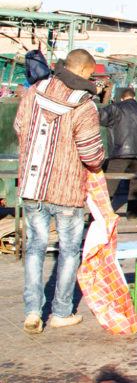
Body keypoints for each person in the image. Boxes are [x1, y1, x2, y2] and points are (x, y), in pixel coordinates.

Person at [14, 49, 105, 333]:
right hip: (67, 191)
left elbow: (19, 127)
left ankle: (32, 312)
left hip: (33, 186)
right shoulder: (84, 105)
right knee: (68, 251)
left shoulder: (33, 91)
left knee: (35, 249)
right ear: (86, 71)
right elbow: (91, 155)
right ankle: (61, 311)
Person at [99, 87, 137, 219]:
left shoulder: (116, 107)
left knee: (110, 182)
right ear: (134, 97)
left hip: (120, 152)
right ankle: (133, 214)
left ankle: (101, 214)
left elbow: (99, 117)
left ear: (122, 98)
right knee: (136, 184)